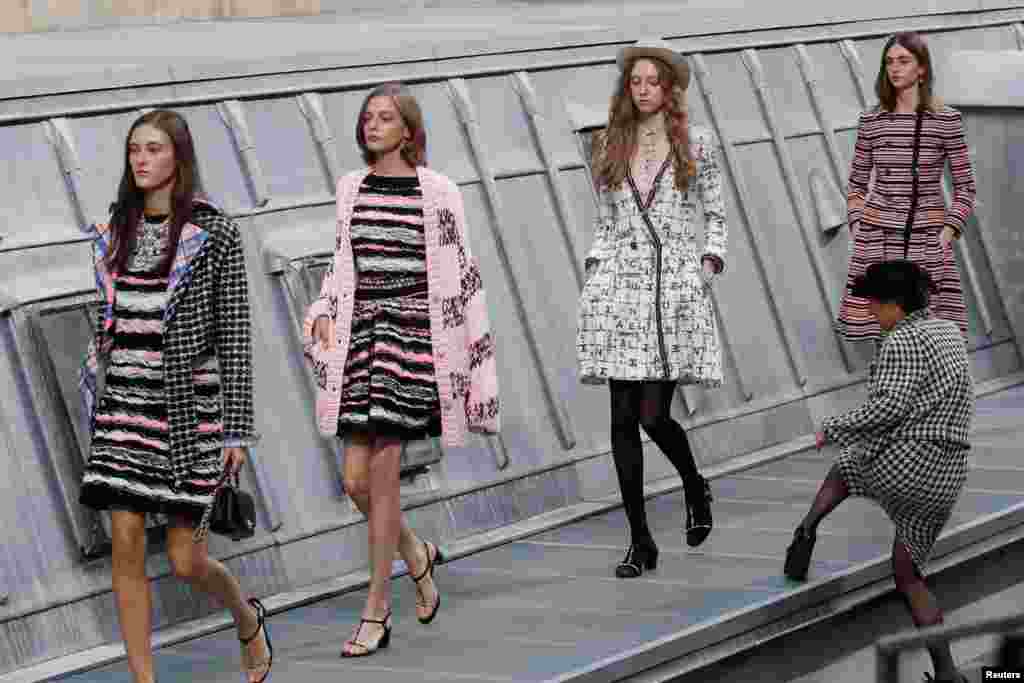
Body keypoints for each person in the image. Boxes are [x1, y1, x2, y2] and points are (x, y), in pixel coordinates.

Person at [303, 82, 500, 657]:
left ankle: (376, 610)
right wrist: (320, 314)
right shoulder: (350, 188)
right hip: (363, 338)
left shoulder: (438, 191)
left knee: (384, 474)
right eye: (368, 117)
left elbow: (463, 275)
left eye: (385, 118)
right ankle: (415, 554)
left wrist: (475, 367)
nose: (373, 125)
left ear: (408, 130)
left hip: (414, 340)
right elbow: (341, 266)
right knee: (355, 483)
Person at [78, 110, 271, 683]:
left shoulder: (215, 233)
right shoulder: (116, 228)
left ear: (178, 158)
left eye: (154, 149)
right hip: (123, 411)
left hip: (188, 413)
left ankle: (246, 618)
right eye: (135, 149)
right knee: (127, 545)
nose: (141, 159)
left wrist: (237, 428)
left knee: (187, 559)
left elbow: (234, 332)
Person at [576, 38, 727, 579]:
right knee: (619, 420)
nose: (642, 91)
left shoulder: (696, 143)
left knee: (653, 415)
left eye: (652, 82)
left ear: (669, 89)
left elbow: (717, 215)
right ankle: (640, 541)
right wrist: (595, 266)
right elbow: (606, 222)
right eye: (635, 82)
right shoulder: (610, 143)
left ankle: (694, 484)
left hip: (671, 291)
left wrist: (707, 267)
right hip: (619, 291)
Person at [785, 260, 973, 683]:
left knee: (849, 461)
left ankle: (807, 528)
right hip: (947, 477)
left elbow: (888, 407)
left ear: (893, 304)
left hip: (911, 464)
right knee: (908, 574)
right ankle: (948, 674)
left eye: (873, 304)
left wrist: (831, 428)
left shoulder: (901, 339)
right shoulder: (947, 331)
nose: (870, 311)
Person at [837, 31, 976, 342]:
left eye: (904, 60)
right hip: (878, 239)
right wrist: (858, 225)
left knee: (929, 333)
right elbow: (857, 184)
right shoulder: (872, 121)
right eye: (889, 62)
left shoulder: (946, 120)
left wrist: (947, 233)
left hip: (927, 240)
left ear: (922, 68)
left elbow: (966, 188)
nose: (895, 68)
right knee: (883, 334)